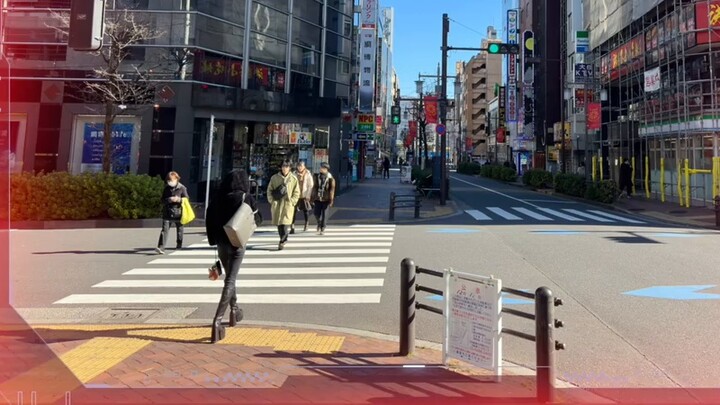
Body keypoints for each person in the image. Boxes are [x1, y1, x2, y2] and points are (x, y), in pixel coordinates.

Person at [204, 170, 257, 343]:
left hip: (221, 243)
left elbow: (209, 219)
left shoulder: (217, 197)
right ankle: (217, 320)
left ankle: (234, 310)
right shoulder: (244, 198)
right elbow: (259, 217)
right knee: (230, 280)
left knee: (229, 278)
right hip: (236, 243)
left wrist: (213, 240)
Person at [268, 161, 300, 250]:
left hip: (287, 205)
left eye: (287, 166)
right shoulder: (274, 178)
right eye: (283, 166)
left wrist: (293, 201)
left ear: (290, 168)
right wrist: (272, 201)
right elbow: (269, 190)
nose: (285, 168)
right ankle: (282, 238)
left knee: (285, 224)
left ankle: (282, 240)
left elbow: (296, 192)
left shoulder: (293, 179)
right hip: (277, 204)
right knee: (279, 224)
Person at [156, 171, 189, 254]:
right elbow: (162, 200)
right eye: (169, 180)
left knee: (180, 229)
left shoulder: (182, 188)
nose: (170, 182)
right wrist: (169, 200)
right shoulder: (166, 188)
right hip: (167, 212)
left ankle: (179, 245)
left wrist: (178, 199)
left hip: (179, 212)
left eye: (172, 180)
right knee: (164, 230)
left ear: (177, 179)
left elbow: (186, 199)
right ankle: (161, 247)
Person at [312, 163, 336, 235]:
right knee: (316, 213)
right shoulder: (316, 176)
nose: (321, 169)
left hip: (326, 198)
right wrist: (312, 197)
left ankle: (322, 228)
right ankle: (319, 223)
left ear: (326, 169)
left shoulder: (331, 179)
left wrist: (331, 200)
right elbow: (314, 187)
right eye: (321, 167)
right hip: (317, 198)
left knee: (325, 215)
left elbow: (332, 190)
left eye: (323, 168)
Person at [291, 161, 314, 234]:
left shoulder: (308, 174)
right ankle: (292, 226)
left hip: (304, 195)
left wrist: (308, 195)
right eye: (299, 166)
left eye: (301, 166)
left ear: (304, 166)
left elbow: (310, 185)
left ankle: (306, 223)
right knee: (293, 211)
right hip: (296, 195)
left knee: (305, 210)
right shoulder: (294, 174)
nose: (300, 167)